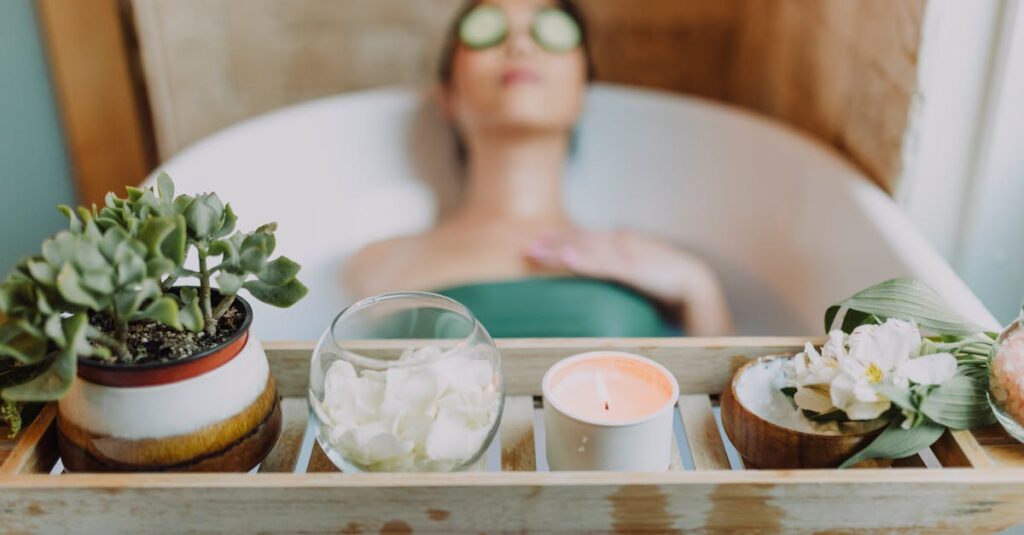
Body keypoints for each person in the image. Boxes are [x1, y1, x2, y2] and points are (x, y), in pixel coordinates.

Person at [344, 0, 732, 337]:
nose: (520, 44)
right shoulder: (378, 263)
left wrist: (699, 289)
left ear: (583, 91)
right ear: (447, 95)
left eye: (549, 32)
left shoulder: (652, 262)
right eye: (489, 32)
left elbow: (722, 406)